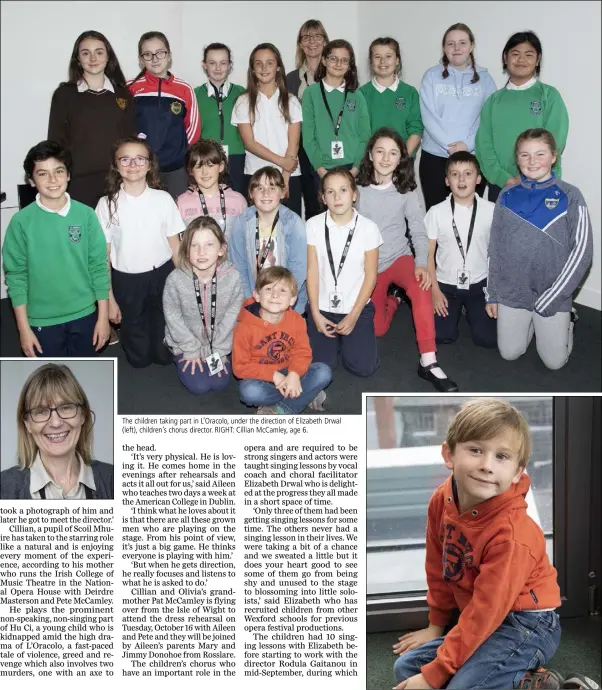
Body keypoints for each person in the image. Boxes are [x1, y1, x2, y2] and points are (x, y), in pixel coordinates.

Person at [392, 398, 563, 690]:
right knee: (407, 668)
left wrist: (438, 673)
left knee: (450, 683)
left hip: (527, 625)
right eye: (475, 450)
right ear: (449, 454)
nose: (486, 466)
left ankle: (531, 683)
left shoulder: (512, 534)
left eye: (502, 457)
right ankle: (516, 678)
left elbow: (486, 611)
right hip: (483, 615)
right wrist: (436, 625)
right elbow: (438, 565)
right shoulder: (442, 500)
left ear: (517, 472)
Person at [356, 128, 458, 392]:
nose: (386, 158)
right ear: (370, 154)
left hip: (399, 257)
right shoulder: (356, 190)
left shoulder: (407, 189)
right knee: (377, 330)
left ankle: (429, 361)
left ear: (401, 157)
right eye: (380, 151)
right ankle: (393, 300)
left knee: (421, 284)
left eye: (393, 153)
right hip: (370, 267)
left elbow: (418, 230)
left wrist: (421, 263)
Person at [485, 129, 592, 370]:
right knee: (510, 353)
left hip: (552, 294)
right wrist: (492, 294)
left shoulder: (571, 195)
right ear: (517, 159)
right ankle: (531, 320)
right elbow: (495, 248)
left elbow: (582, 253)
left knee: (554, 363)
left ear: (553, 156)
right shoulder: (506, 195)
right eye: (525, 155)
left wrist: (553, 297)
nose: (532, 162)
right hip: (514, 292)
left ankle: (568, 319)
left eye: (540, 154)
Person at [2, 141, 110, 358]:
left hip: (85, 314)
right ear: (31, 181)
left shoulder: (86, 215)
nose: (52, 180)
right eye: (43, 174)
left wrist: (103, 317)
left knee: (85, 379)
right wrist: (23, 330)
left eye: (59, 171)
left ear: (68, 175)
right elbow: (16, 277)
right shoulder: (21, 222)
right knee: (50, 385)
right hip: (41, 320)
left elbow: (99, 267)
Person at [95, 136, 184, 368]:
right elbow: (103, 257)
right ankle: (137, 347)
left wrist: (185, 283)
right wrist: (109, 300)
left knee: (164, 353)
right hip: (127, 281)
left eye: (139, 159)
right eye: (125, 159)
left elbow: (175, 245)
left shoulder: (163, 199)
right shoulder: (107, 204)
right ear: (115, 165)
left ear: (149, 164)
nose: (133, 165)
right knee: (139, 358)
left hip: (162, 275)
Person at [476, 31, 569, 203]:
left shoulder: (549, 96)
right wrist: (504, 179)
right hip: (502, 187)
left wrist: (532, 176)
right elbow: (484, 145)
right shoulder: (493, 101)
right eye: (515, 54)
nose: (521, 60)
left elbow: (556, 140)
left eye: (529, 54)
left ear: (538, 59)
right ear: (505, 58)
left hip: (543, 185)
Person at [48, 30, 137, 209]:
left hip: (117, 181)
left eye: (99, 52)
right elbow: (56, 143)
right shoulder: (64, 95)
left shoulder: (123, 94)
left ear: (108, 57)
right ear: (78, 59)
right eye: (85, 53)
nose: (93, 58)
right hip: (79, 185)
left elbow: (131, 142)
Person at [305, 167, 380, 377]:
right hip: (323, 308)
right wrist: (315, 313)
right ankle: (333, 341)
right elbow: (312, 270)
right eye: (330, 192)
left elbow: (371, 276)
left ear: (354, 195)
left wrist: (354, 316)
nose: (337, 197)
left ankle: (350, 339)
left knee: (363, 368)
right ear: (323, 197)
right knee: (321, 366)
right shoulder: (313, 225)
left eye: (343, 190)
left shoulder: (369, 228)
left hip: (355, 307)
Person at [0, 363, 113, 500]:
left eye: (65, 407)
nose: (56, 423)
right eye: (41, 411)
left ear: (83, 415)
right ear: (27, 424)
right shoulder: (4, 488)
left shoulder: (115, 480)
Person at [232, 266, 332, 414]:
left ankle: (280, 409)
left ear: (292, 300)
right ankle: (304, 394)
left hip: (289, 370)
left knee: (324, 372)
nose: (275, 295)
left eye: (283, 291)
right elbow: (240, 367)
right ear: (257, 295)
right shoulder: (244, 327)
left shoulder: (297, 320)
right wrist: (274, 375)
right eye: (268, 289)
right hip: (262, 377)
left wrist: (294, 374)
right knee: (250, 392)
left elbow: (302, 352)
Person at [419, 23, 497, 210]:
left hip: (473, 157)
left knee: (469, 216)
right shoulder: (431, 76)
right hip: (435, 158)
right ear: (444, 48)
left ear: (471, 46)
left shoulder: (486, 79)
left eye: (462, 42)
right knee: (438, 217)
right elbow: (428, 116)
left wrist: (467, 145)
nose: (457, 48)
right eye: (450, 43)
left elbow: (489, 119)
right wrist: (452, 146)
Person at [425, 151, 497, 352]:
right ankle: (458, 308)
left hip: (479, 284)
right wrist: (435, 291)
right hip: (446, 285)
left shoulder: (491, 211)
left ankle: (470, 309)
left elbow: (498, 256)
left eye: (468, 173)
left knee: (488, 339)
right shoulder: (436, 212)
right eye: (455, 174)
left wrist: (494, 295)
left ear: (478, 179)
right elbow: (428, 254)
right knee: (441, 336)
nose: (462, 179)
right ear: (447, 181)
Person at [163, 217, 243, 395]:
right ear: (186, 250)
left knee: (219, 383)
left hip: (217, 344)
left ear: (221, 249)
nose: (201, 252)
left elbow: (232, 317)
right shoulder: (175, 280)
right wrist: (190, 349)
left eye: (209, 245)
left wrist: (220, 350)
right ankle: (180, 357)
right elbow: (173, 317)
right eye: (194, 245)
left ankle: (210, 355)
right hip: (186, 343)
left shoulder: (233, 278)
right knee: (200, 387)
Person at [231, 43, 302, 216]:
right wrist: (281, 161)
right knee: (258, 230)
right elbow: (249, 143)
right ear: (252, 69)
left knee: (289, 229)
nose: (264, 68)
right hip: (255, 175)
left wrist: (284, 179)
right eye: (258, 63)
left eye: (270, 63)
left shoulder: (291, 101)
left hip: (288, 176)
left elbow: (294, 143)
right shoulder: (243, 101)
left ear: (278, 67)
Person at [128, 31, 200, 199]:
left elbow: (193, 130)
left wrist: (180, 156)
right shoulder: (130, 87)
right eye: (148, 54)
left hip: (176, 169)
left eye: (160, 53)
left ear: (169, 56)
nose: (155, 59)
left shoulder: (184, 88)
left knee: (177, 218)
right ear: (140, 59)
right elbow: (124, 127)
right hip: (140, 169)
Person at [228, 166, 307, 313]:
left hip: (288, 302)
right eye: (259, 188)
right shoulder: (242, 222)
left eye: (272, 187)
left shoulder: (293, 223)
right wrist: (251, 300)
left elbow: (299, 269)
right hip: (254, 298)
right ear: (251, 193)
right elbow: (239, 267)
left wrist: (280, 300)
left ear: (283, 192)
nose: (265, 194)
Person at [302, 39, 371, 184]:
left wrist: (355, 169)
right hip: (321, 168)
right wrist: (320, 170)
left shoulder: (357, 95)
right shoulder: (311, 93)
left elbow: (365, 136)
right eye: (333, 59)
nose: (338, 64)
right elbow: (308, 137)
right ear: (324, 61)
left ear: (349, 65)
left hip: (352, 167)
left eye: (344, 60)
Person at [286, 19, 330, 219]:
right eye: (306, 37)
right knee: (311, 202)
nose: (312, 41)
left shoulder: (335, 74)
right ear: (300, 44)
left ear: (325, 41)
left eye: (317, 36)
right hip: (301, 148)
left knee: (330, 198)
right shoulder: (291, 79)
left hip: (327, 146)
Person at [194, 43, 246, 195]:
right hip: (206, 158)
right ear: (204, 65)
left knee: (237, 200)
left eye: (223, 63)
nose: (218, 68)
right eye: (212, 63)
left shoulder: (241, 93)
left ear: (230, 65)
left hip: (237, 157)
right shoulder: (195, 94)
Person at [359, 38, 423, 154]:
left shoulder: (410, 93)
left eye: (388, 56)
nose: (383, 61)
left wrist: (400, 159)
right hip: (371, 162)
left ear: (397, 60)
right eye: (377, 57)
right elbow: (359, 134)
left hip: (402, 163)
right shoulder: (361, 94)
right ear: (371, 61)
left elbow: (415, 131)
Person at [176, 139, 247, 239]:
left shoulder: (238, 201)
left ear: (221, 167)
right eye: (199, 167)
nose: (205, 172)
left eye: (210, 165)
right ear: (191, 170)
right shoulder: (181, 203)